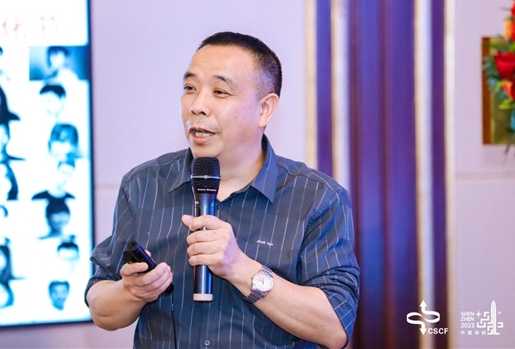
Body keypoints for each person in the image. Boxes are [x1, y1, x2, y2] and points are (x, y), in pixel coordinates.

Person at [85, 32, 360, 349]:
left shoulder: (316, 198)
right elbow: (100, 307)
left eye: (220, 92)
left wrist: (240, 268)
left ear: (265, 109)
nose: (197, 106)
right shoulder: (144, 185)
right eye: (190, 88)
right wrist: (131, 292)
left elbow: (334, 327)